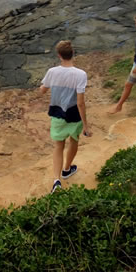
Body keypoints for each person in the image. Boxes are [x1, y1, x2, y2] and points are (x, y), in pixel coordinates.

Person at [40, 40, 92, 194]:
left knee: (58, 146)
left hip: (57, 112)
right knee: (74, 140)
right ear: (73, 54)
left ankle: (56, 180)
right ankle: (67, 169)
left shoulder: (52, 71)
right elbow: (81, 103)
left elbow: (42, 90)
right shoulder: (81, 74)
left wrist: (47, 85)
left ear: (59, 56)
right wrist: (86, 125)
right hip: (74, 114)